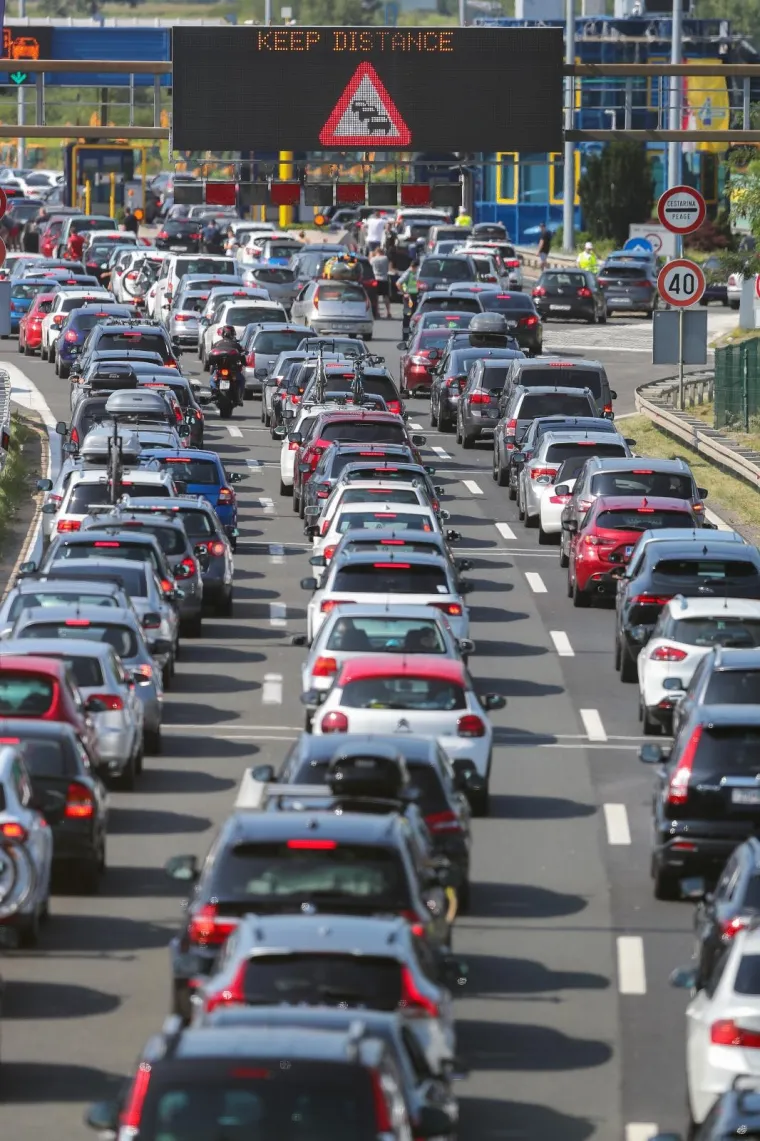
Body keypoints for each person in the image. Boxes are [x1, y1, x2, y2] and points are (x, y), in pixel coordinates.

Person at [208, 324, 246, 406]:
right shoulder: (236, 344)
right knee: (242, 380)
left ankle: (214, 392)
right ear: (232, 334)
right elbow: (242, 357)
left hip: (224, 371)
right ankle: (238, 397)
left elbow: (211, 358)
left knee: (212, 379)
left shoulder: (217, 344)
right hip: (230, 371)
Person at [397, 258, 420, 335]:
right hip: (408, 298)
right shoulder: (408, 273)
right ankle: (405, 335)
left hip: (413, 296)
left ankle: (408, 333)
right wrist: (404, 293)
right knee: (407, 316)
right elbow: (398, 283)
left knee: (412, 315)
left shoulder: (413, 273)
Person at [369, 245, 392, 319]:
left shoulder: (373, 259)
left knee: (376, 297)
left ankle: (377, 312)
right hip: (384, 279)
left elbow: (370, 264)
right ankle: (388, 312)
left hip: (376, 278)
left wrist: (372, 255)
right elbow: (388, 267)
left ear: (376, 252)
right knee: (386, 296)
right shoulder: (385, 258)